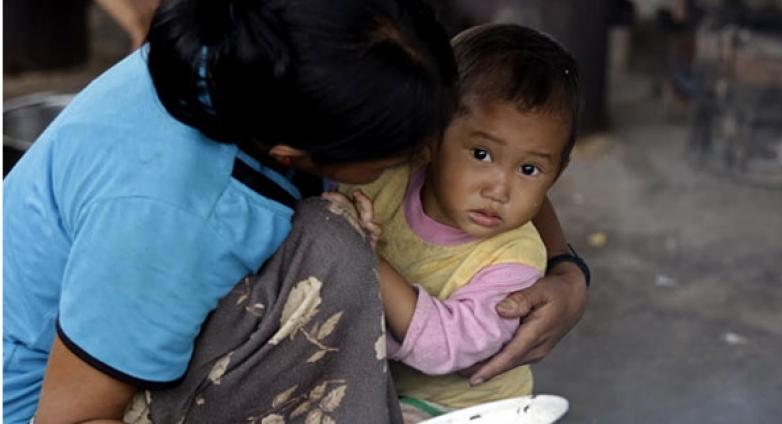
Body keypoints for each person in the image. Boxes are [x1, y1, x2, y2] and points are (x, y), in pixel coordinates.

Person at [4, 0, 588, 422]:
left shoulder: (257, 44)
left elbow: (500, 153)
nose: (428, 155)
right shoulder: (178, 221)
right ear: (295, 155)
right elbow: (68, 417)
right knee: (332, 246)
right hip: (41, 402)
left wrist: (565, 269)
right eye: (407, 151)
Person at [327, 23, 584, 420]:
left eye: (529, 169)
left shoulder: (515, 259)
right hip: (381, 379)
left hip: (462, 407)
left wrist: (366, 258)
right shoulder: (382, 182)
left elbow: (442, 346)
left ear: (558, 173)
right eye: (481, 154)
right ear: (430, 137)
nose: (499, 189)